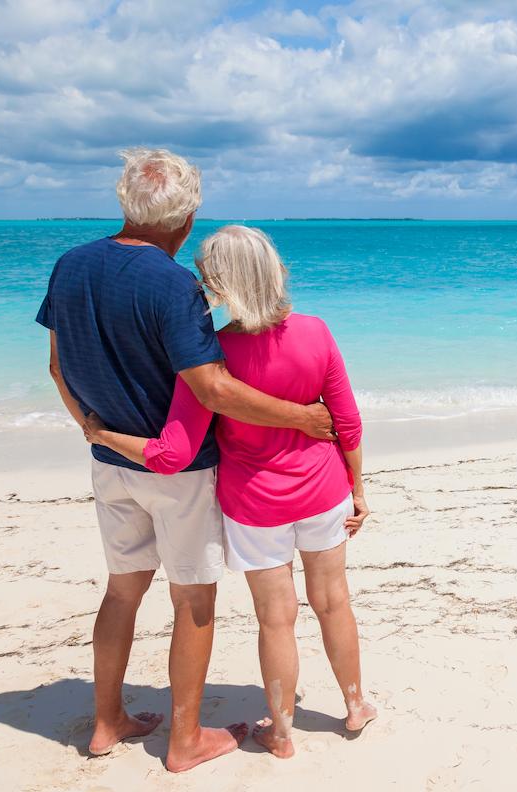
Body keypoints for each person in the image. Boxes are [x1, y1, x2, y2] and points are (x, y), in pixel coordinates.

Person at [37, 149, 337, 772]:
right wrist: (305, 418)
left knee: (122, 591)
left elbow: (58, 367)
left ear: (124, 200)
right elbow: (214, 389)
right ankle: (184, 741)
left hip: (111, 459)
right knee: (193, 601)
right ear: (188, 216)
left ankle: (105, 721)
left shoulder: (70, 265)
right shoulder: (175, 284)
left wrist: (92, 429)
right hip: (181, 472)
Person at [84, 224, 377, 760]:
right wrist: (358, 488)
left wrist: (101, 433)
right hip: (324, 489)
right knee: (334, 602)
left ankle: (282, 735)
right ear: (276, 270)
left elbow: (172, 453)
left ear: (216, 286)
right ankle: (356, 704)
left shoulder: (211, 354)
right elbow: (347, 423)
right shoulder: (316, 330)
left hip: (255, 504)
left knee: (276, 618)